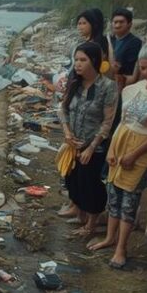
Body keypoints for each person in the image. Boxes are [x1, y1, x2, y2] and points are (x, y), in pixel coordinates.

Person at [89, 40, 147, 269]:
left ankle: (121, 247)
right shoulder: (134, 89)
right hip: (121, 142)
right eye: (144, 67)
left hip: (143, 148)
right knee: (114, 194)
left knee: (130, 200)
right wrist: (112, 149)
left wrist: (135, 153)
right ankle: (110, 237)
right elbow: (122, 121)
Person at [59, 41, 118, 236]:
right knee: (74, 182)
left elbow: (107, 122)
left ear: (94, 61)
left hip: (93, 147)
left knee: (91, 185)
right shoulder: (75, 83)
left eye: (82, 60)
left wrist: (91, 147)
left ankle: (91, 225)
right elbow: (63, 109)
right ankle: (80, 214)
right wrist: (67, 133)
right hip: (73, 144)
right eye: (76, 60)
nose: (78, 64)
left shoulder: (107, 87)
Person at [109, 8, 143, 90]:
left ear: (129, 24)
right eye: (115, 22)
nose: (117, 25)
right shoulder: (109, 40)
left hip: (125, 84)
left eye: (121, 22)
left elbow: (129, 68)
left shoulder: (134, 42)